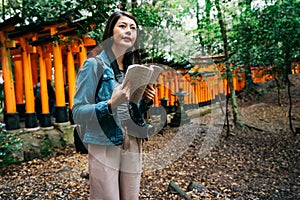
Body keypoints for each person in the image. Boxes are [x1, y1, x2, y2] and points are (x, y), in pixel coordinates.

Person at [72, 11, 156, 200]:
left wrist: (145, 102)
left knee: (131, 196)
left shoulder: (131, 68)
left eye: (133, 28)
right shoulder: (93, 65)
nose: (128, 31)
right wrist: (109, 105)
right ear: (111, 31)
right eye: (123, 26)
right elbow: (77, 112)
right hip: (104, 141)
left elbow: (129, 110)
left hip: (133, 140)